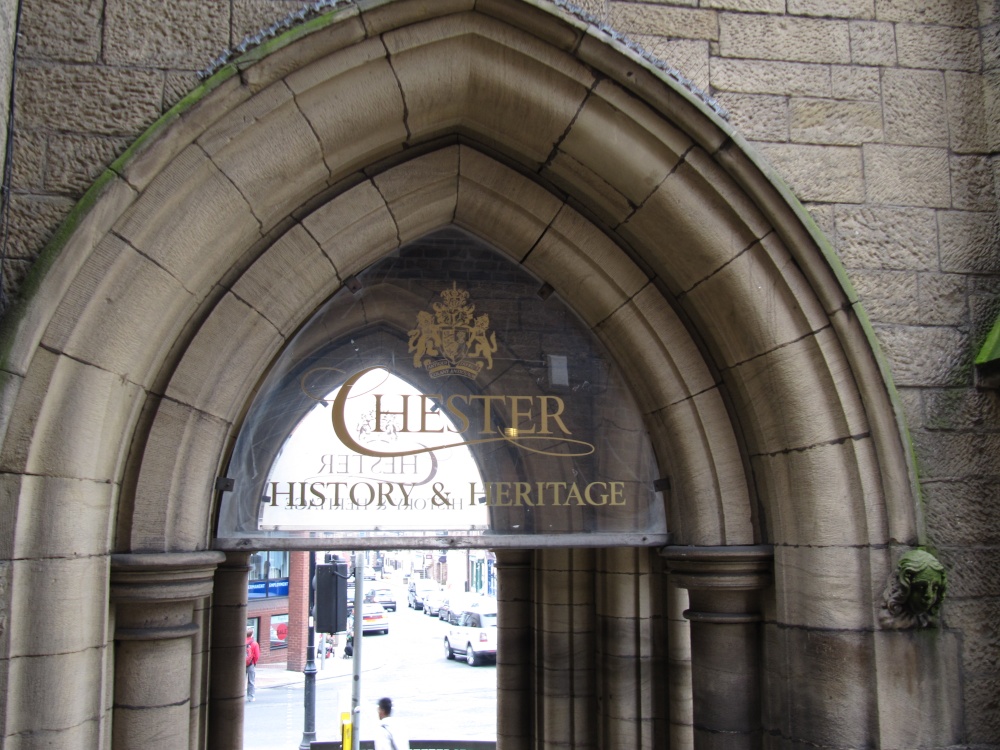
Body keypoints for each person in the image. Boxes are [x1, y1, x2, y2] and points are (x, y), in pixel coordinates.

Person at [245, 627, 260, 702]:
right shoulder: (254, 643)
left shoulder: (241, 642)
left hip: (242, 664)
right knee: (251, 681)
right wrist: (253, 662)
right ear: (252, 634)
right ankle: (251, 697)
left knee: (241, 681)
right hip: (250, 664)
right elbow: (257, 656)